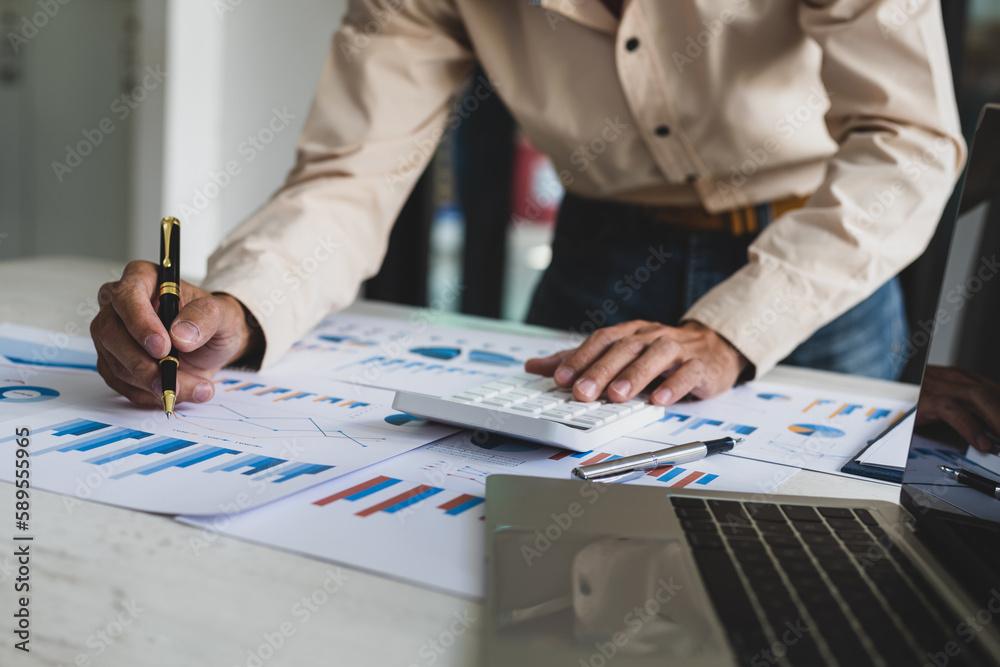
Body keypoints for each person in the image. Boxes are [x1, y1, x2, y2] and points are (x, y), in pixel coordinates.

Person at [91, 1, 965, 415]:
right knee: (546, 568)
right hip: (601, 261)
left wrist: (735, 328)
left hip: (818, 263)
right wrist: (240, 308)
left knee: (820, 558)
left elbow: (909, 138)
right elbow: (350, 176)